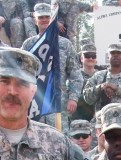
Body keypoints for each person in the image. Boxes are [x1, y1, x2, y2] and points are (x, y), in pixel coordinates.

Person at [23, 2, 83, 132]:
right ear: (35, 20)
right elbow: (21, 72)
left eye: (47, 17)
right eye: (41, 17)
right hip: (34, 101)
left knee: (60, 139)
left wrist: (73, 98)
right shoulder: (29, 45)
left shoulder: (65, 44)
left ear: (52, 19)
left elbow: (75, 74)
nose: (44, 20)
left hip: (58, 102)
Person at [83, 43, 121, 114]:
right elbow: (88, 99)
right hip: (103, 120)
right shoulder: (98, 76)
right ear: (108, 57)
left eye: (119, 53)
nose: (116, 55)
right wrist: (100, 87)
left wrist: (117, 89)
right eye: (112, 53)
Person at [72, 42, 104, 122]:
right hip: (79, 119)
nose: (90, 58)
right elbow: (72, 97)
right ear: (81, 58)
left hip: (100, 118)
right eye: (87, 56)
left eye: (93, 56)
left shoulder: (103, 76)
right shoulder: (74, 76)